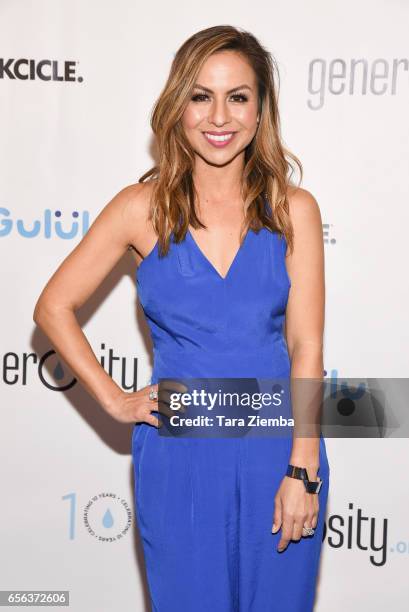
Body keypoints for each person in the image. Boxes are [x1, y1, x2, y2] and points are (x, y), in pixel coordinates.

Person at [33, 25, 330, 612]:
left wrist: (305, 467)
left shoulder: (294, 210)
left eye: (237, 97)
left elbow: (307, 347)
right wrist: (115, 400)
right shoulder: (138, 209)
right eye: (201, 96)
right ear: (178, 106)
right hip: (181, 459)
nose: (219, 116)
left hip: (279, 454)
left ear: (260, 109)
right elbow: (52, 307)